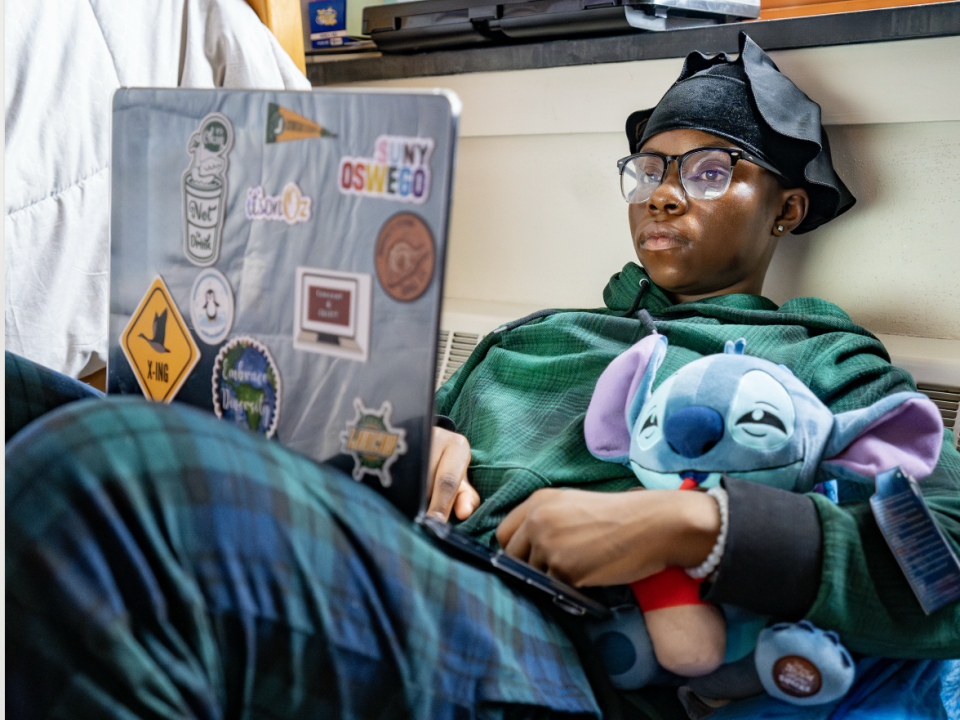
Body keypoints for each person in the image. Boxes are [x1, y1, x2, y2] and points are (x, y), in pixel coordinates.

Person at [6, 33, 959, 720]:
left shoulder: (822, 358)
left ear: (786, 208)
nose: (665, 191)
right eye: (650, 168)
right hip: (406, 543)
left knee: (103, 472)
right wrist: (424, 439)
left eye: (711, 170)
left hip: (563, 641)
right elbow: (390, 458)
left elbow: (947, 556)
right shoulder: (538, 334)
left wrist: (687, 523)